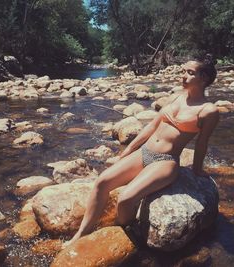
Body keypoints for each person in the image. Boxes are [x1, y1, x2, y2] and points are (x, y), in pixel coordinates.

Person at [66, 54, 219, 246]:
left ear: (204, 78)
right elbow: (152, 126)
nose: (183, 77)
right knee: (101, 183)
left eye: (189, 73)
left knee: (125, 199)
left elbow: (202, 143)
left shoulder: (208, 110)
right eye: (183, 72)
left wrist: (197, 170)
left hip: (165, 161)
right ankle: (82, 233)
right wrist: (128, 150)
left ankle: (121, 232)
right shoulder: (177, 97)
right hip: (144, 152)